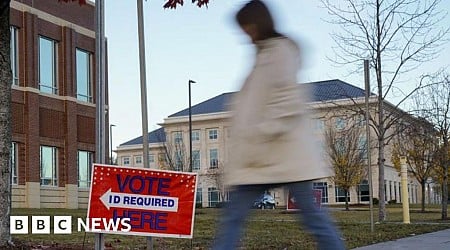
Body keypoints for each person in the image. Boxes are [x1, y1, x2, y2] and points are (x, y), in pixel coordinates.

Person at [212, 1, 346, 249]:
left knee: (313, 219)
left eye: (246, 26)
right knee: (233, 217)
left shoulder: (280, 52)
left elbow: (290, 101)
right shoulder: (264, 54)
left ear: (257, 23)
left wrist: (259, 132)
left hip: (282, 153)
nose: (244, 32)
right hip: (261, 158)